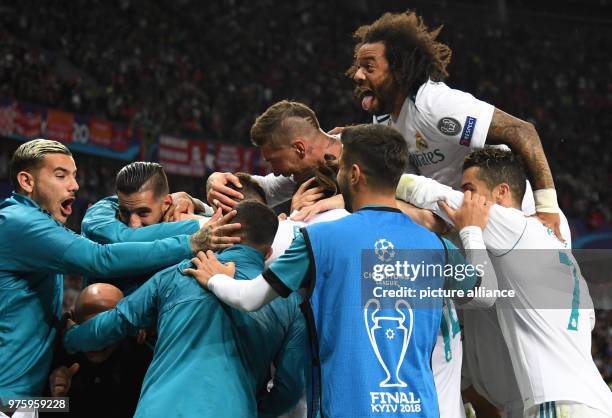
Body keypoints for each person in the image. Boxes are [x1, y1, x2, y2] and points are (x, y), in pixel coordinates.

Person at [187, 124, 496, 418]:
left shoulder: (318, 239)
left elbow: (250, 298)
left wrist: (214, 277)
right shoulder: (437, 247)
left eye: (343, 167)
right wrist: (472, 233)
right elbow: (486, 296)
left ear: (355, 174)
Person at [0, 139, 239, 400]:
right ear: (27, 182)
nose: (75, 185)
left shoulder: (37, 223)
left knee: (62, 409)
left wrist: (193, 201)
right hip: (8, 398)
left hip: (29, 395)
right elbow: (100, 258)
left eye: (74, 175)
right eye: (61, 175)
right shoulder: (21, 223)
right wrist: (192, 237)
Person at [396, 148, 612, 417]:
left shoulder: (515, 228)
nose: (466, 199)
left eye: (469, 189)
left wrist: (365, 172)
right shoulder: (556, 243)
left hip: (558, 404)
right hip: (594, 401)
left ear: (501, 193)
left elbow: (428, 192)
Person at [64, 200, 307, 418]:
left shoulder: (177, 274)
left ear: (221, 232)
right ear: (267, 253)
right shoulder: (290, 304)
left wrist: (70, 338)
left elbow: (115, 322)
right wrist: (249, 407)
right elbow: (289, 388)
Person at [347, 10, 563, 241]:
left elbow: (523, 132)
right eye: (359, 67)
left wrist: (547, 210)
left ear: (400, 71)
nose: (358, 75)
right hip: (466, 222)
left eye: (369, 68)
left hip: (519, 221)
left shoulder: (435, 104)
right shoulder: (384, 120)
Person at [82, 161, 214, 294]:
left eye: (143, 213)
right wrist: (201, 225)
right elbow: (125, 239)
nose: (133, 224)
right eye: (125, 212)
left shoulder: (181, 217)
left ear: (166, 203)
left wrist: (197, 203)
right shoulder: (102, 218)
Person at [206, 100, 342, 212]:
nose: (275, 172)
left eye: (274, 161)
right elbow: (263, 190)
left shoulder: (361, 148)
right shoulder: (303, 169)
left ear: (299, 148)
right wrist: (217, 181)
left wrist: (295, 218)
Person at [48, 284, 152, 417]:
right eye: (87, 330)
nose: (95, 343)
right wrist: (57, 399)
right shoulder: (56, 354)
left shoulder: (141, 357)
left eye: (106, 332)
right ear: (74, 324)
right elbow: (17, 407)